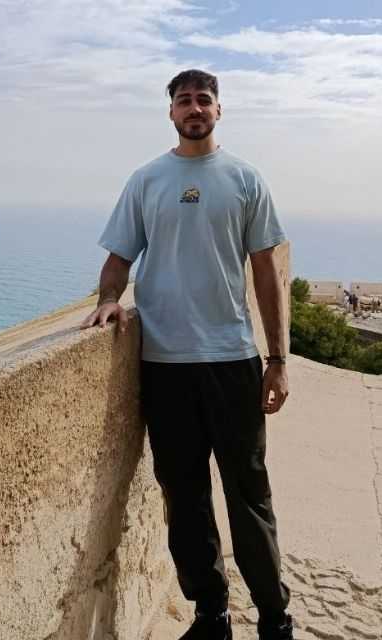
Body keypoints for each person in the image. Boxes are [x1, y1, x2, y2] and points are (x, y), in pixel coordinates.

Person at [80, 69, 293, 640]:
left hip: (232, 360)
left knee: (249, 495)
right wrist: (108, 300)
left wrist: (277, 360)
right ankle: (211, 614)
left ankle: (274, 618)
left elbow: (267, 273)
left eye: (204, 99)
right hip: (164, 365)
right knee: (184, 494)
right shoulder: (147, 180)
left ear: (219, 110)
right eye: (183, 101)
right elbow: (119, 258)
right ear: (171, 112)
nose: (194, 108)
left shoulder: (245, 179)